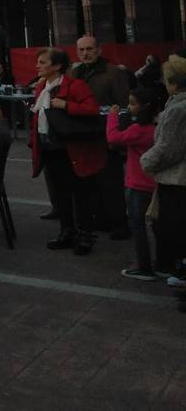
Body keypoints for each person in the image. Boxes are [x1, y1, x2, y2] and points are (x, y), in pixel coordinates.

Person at [29, 48, 104, 256]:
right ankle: (67, 232)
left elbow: (92, 109)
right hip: (50, 148)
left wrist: (66, 105)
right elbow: (39, 117)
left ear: (57, 66)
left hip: (71, 150)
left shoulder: (75, 85)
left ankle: (85, 236)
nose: (37, 66)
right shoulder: (42, 86)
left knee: (80, 194)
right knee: (60, 194)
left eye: (42, 62)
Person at [140, 55, 186, 309]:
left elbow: (168, 148)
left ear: (174, 83)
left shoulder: (178, 109)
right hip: (178, 179)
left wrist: (146, 161)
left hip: (177, 181)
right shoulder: (176, 104)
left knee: (176, 232)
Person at [74, 35, 131, 238]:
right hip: (84, 136)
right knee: (92, 182)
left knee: (111, 183)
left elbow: (124, 106)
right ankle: (102, 220)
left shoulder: (113, 73)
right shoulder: (76, 72)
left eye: (89, 49)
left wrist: (118, 137)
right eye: (81, 50)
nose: (85, 53)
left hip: (107, 136)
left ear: (99, 49)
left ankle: (120, 225)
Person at [107, 86, 161, 281]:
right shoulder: (156, 127)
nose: (129, 107)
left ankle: (144, 266)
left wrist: (112, 117)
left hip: (137, 184)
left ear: (144, 106)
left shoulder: (138, 130)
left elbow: (113, 138)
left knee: (137, 225)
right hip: (153, 183)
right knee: (156, 225)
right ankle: (162, 262)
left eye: (132, 104)